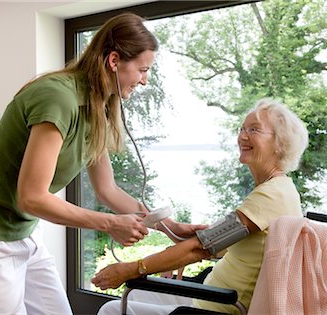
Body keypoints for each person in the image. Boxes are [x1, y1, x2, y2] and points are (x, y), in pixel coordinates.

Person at [0, 12, 204, 315]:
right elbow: (32, 196)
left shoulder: (99, 107)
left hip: (24, 233)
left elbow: (108, 189)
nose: (145, 80)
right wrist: (110, 223)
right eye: (142, 70)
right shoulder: (58, 99)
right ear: (114, 61)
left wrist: (169, 227)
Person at [92, 98, 310, 315]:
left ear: (280, 143)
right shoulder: (280, 189)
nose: (242, 136)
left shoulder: (271, 195)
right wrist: (176, 251)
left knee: (112, 310)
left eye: (254, 130)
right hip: (211, 292)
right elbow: (224, 243)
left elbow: (201, 247)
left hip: (219, 306)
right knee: (135, 296)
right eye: (242, 128)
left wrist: (132, 269)